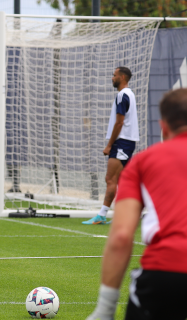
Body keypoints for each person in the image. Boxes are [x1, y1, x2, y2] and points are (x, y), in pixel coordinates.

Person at [86, 88, 187, 320]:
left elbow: (121, 236)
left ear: (163, 127)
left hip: (166, 271)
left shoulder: (144, 162)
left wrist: (105, 309)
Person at [83, 67, 138, 225]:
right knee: (123, 181)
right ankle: (129, 214)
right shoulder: (130, 94)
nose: (112, 78)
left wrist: (109, 145)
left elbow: (119, 123)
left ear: (122, 77)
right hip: (127, 142)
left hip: (122, 143)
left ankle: (102, 215)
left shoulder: (122, 95)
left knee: (110, 179)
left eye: (114, 76)